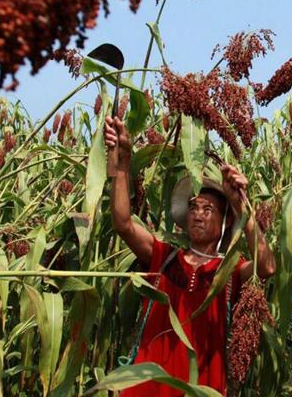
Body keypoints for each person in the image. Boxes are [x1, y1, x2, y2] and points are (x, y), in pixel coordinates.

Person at [105, 116, 276, 396]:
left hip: (201, 386)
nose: (198, 213)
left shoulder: (228, 271)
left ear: (223, 223)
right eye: (194, 207)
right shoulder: (166, 257)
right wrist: (122, 162)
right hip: (150, 385)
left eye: (208, 209)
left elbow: (267, 266)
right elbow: (123, 223)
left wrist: (241, 204)